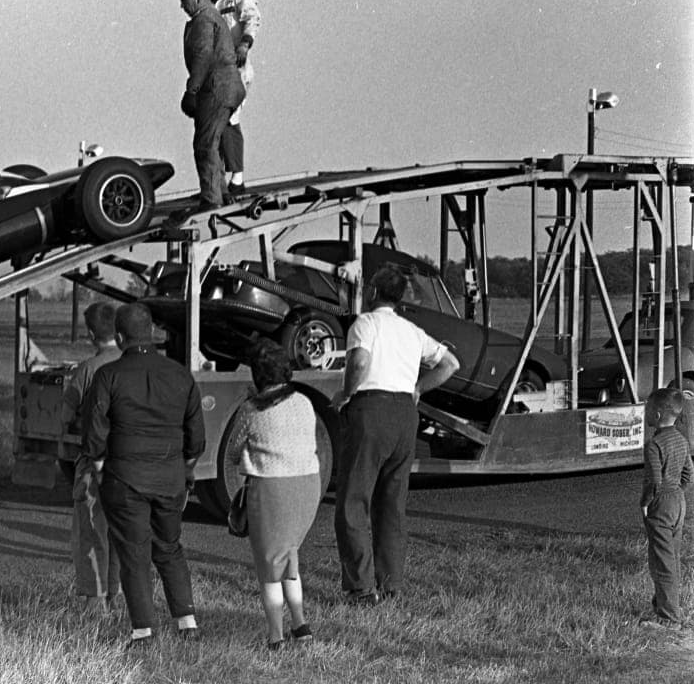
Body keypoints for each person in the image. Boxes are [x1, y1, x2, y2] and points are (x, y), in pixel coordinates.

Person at [331, 265, 460, 604]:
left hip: (370, 410)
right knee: (392, 503)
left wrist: (344, 394)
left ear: (373, 292)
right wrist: (418, 388)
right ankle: (391, 584)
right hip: (405, 414)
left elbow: (359, 363)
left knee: (353, 501)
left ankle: (360, 587)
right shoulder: (412, 331)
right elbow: (450, 365)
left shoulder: (365, 324)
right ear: (401, 298)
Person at [80, 302, 206, 647]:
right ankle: (187, 622)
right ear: (151, 332)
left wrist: (102, 468)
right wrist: (185, 469)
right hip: (170, 479)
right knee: (169, 547)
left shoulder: (109, 376)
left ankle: (144, 632)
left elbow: (94, 435)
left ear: (120, 337)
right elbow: (197, 439)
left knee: (134, 552)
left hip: (124, 479)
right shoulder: (181, 375)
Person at [224, 340, 321, 650]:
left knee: (269, 569)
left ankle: (275, 637)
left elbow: (233, 453)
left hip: (272, 489)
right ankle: (301, 625)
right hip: (308, 486)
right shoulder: (304, 402)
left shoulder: (251, 410)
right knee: (289, 555)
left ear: (256, 376)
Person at [62, 301, 122, 613]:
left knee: (90, 530)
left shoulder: (88, 369)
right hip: (128, 464)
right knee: (120, 533)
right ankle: (116, 596)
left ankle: (94, 602)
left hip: (93, 462)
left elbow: (65, 414)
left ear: (90, 334)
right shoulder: (130, 364)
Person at [178, 0, 246, 213]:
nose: (182, 6)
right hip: (227, 88)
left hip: (217, 89)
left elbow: (203, 54)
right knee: (212, 141)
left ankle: (211, 198)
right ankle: (219, 192)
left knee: (204, 143)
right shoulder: (212, 17)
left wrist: (192, 90)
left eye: (184, 0)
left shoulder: (204, 19)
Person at [201, 0, 261, 197]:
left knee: (229, 120)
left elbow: (252, 19)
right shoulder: (215, 3)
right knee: (218, 123)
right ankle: (222, 181)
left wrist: (245, 45)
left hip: (237, 69)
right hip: (220, 72)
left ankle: (237, 179)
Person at [639, 386, 694, 629]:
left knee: (661, 561)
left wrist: (645, 503)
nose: (646, 413)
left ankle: (668, 618)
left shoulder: (654, 444)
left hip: (661, 502)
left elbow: (653, 481)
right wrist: (677, 493)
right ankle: (663, 604)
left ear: (658, 415)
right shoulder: (681, 439)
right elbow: (690, 476)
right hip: (679, 502)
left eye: (648, 409)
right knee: (672, 557)